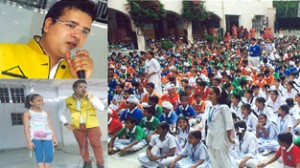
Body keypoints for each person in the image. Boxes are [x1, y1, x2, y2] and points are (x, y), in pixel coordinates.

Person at [0, 0, 95, 79]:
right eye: (71, 25)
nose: (77, 36)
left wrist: (80, 81)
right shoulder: (3, 54)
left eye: (85, 31)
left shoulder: (77, 74)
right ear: (48, 25)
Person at [58, 80, 105, 168]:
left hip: (93, 125)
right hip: (77, 126)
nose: (83, 89)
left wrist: (90, 98)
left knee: (96, 144)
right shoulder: (67, 100)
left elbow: (101, 108)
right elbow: (60, 113)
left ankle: (100, 163)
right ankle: (87, 162)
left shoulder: (92, 97)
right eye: (80, 87)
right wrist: (65, 123)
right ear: (74, 88)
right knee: (82, 145)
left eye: (85, 87)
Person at [23, 94, 57, 168]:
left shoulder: (46, 113)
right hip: (35, 138)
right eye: (38, 101)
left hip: (47, 137)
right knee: (39, 156)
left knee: (49, 155)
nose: (41, 102)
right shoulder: (28, 113)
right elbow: (26, 127)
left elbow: (50, 125)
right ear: (31, 102)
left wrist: (54, 137)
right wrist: (28, 141)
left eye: (42, 100)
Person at [206, 86, 235, 168]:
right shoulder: (209, 106)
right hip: (211, 134)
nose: (209, 95)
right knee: (212, 155)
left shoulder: (224, 108)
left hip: (221, 135)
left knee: (222, 158)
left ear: (218, 95)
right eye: (209, 93)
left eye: (212, 94)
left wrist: (229, 137)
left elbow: (229, 123)